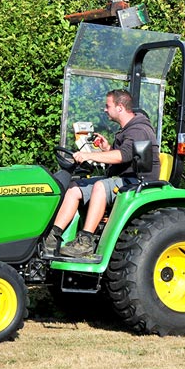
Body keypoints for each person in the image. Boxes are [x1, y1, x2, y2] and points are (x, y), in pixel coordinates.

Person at [45, 89, 160, 258]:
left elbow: (123, 156)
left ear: (120, 107)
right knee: (75, 187)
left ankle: (85, 241)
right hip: (125, 178)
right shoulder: (127, 129)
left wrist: (88, 155)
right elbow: (124, 153)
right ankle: (53, 237)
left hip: (138, 181)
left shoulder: (139, 129)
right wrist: (107, 148)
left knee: (100, 186)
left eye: (108, 106)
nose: (105, 110)